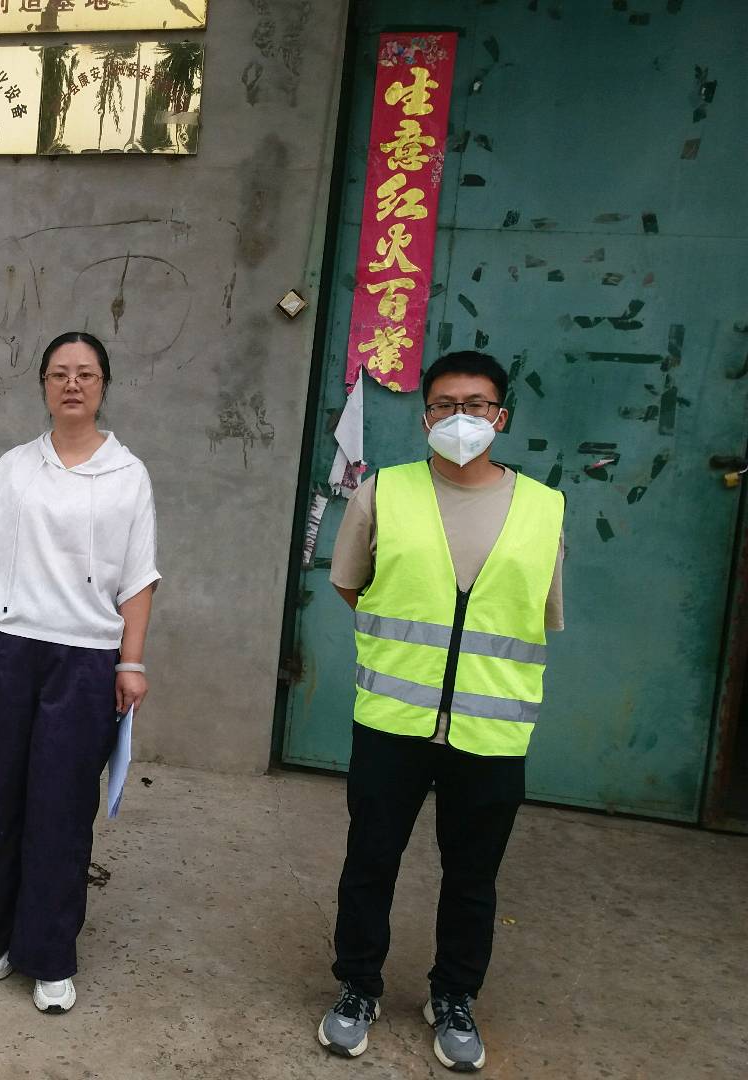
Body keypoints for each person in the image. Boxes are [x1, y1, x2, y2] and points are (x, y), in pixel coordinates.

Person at [316, 351, 565, 1071]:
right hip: (393, 718)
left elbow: (540, 614)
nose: (460, 418)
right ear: (424, 416)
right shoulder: (385, 492)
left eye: (476, 405)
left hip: (493, 727)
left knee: (473, 876)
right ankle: (357, 987)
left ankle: (454, 995)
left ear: (501, 416)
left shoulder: (544, 508)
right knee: (371, 860)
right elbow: (351, 584)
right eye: (444, 405)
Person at [0, 330, 160, 1015]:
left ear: (103, 386)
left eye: (86, 374)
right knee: (5, 797)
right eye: (60, 373)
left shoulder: (128, 475)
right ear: (43, 384)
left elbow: (139, 578)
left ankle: (49, 957)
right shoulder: (14, 467)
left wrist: (131, 662)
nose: (73, 384)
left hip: (86, 658)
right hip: (10, 649)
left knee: (62, 809)